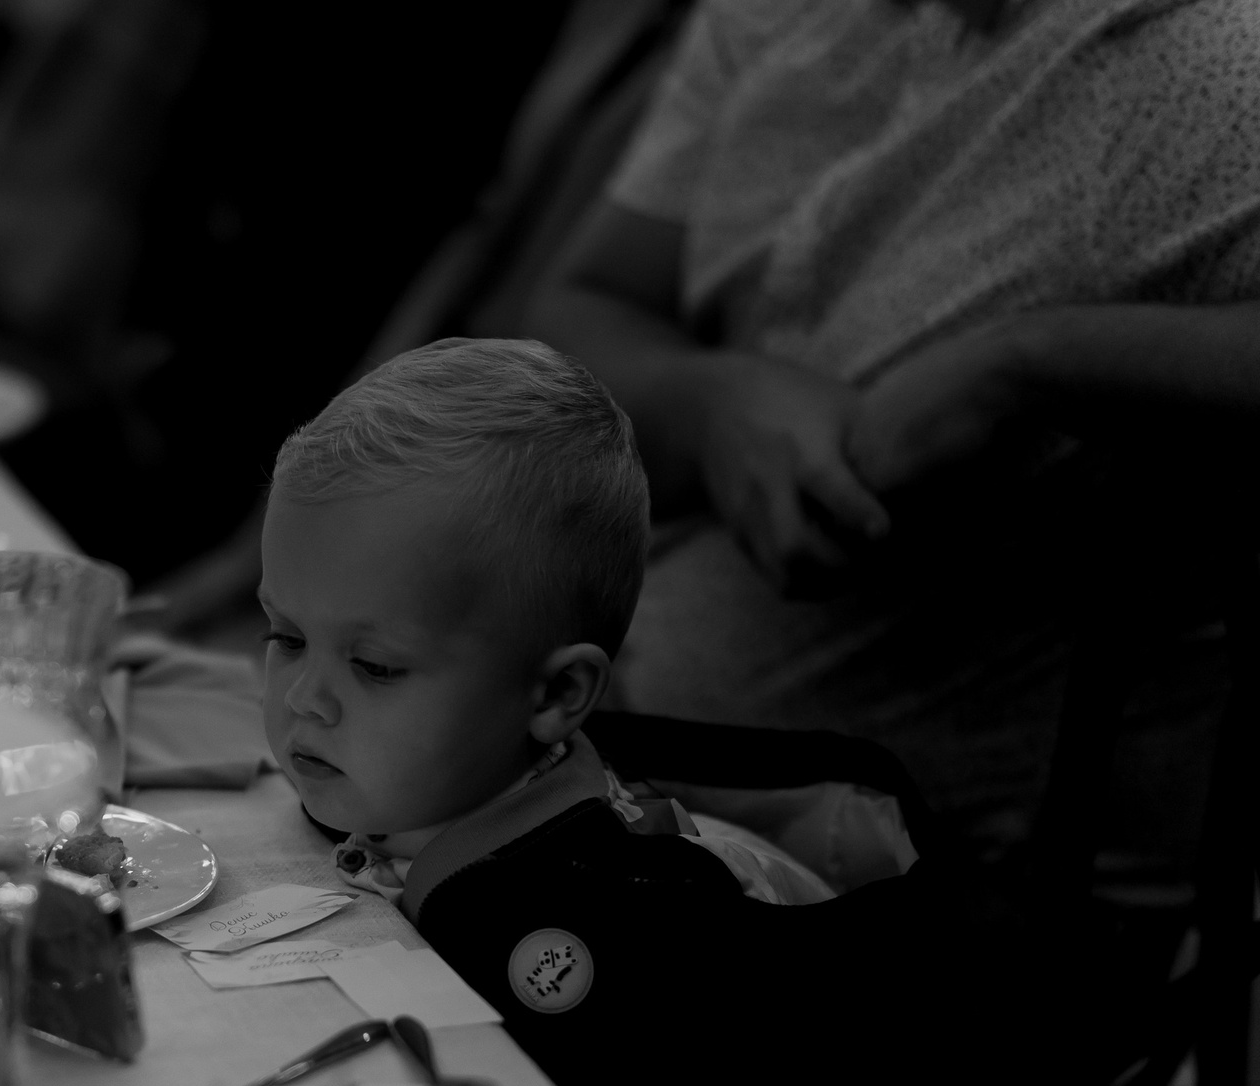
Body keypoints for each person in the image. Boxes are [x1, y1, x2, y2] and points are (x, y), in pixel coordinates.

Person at [260, 337, 1083, 1086]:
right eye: (284, 635)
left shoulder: (634, 933)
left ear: (554, 699)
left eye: (372, 666)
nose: (304, 698)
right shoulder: (412, 779)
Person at [527, 0, 1260, 874]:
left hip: (932, 903)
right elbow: (588, 305)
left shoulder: (1212, 63)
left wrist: (1028, 363)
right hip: (598, 762)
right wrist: (717, 403)